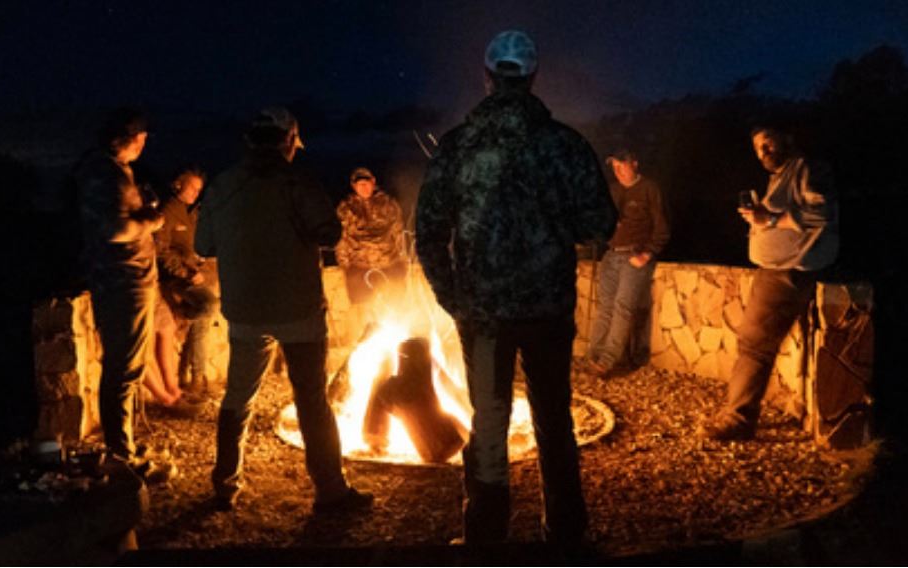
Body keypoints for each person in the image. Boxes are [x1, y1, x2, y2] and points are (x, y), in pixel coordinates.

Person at [416, 30, 617, 545]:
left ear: (487, 77)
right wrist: (557, 222)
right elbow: (599, 222)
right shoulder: (565, 145)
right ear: (532, 77)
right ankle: (566, 534)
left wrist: (453, 298)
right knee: (553, 419)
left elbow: (429, 232)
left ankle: (485, 539)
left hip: (483, 316)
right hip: (548, 309)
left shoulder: (458, 146)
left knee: (488, 424)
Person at [195, 107, 373, 513]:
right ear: (290, 141)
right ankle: (330, 491)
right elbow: (329, 233)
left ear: (250, 140)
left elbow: (203, 245)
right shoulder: (299, 182)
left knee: (238, 397)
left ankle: (225, 484)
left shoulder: (223, 185)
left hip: (245, 310)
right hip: (299, 310)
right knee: (311, 400)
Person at [699, 126, 838, 441]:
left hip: (788, 272)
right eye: (758, 149)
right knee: (753, 343)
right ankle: (739, 413)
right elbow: (779, 217)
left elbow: (822, 213)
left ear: (787, 138)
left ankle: (738, 418)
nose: (763, 153)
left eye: (768, 144)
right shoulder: (781, 176)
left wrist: (771, 220)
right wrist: (759, 220)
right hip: (775, 269)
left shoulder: (806, 168)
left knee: (754, 344)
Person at [76, 107, 173, 482]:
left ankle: (125, 446)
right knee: (124, 369)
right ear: (131, 138)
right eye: (143, 138)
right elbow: (116, 230)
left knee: (127, 367)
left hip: (122, 281)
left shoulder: (103, 169)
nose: (144, 144)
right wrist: (153, 219)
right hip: (124, 282)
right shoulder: (108, 173)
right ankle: (121, 458)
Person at [588, 148, 670, 376]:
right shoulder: (613, 190)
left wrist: (647, 254)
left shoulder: (649, 189)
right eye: (614, 166)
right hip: (611, 254)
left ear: (634, 164)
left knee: (622, 308)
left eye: (622, 165)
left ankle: (607, 360)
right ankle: (593, 356)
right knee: (605, 308)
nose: (618, 171)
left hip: (634, 256)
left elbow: (662, 227)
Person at [155, 166, 220, 395]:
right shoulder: (168, 211)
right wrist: (186, 273)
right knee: (209, 306)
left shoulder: (189, 212)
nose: (196, 193)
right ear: (178, 184)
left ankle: (195, 376)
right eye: (192, 187)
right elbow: (160, 251)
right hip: (175, 279)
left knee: (203, 318)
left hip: (193, 275)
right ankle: (196, 373)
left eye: (199, 189)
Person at [334, 167, 407, 342]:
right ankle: (365, 345)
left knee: (393, 307)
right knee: (362, 310)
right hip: (360, 267)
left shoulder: (388, 204)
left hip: (388, 264)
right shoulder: (347, 208)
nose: (364, 188)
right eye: (360, 184)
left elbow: (398, 232)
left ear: (373, 182)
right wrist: (344, 265)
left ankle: (393, 343)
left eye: (366, 183)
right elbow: (341, 237)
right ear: (353, 186)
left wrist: (402, 259)